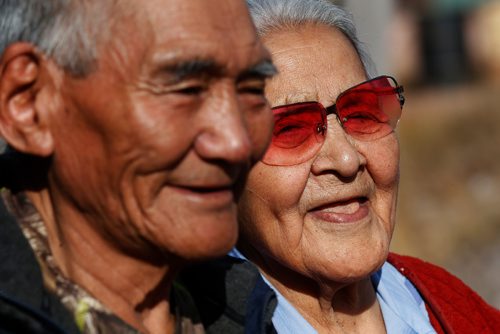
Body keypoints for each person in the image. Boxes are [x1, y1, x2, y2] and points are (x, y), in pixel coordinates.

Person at [181, 0, 500, 333]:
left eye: (362, 112)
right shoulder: (186, 322)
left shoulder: (454, 308)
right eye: (289, 129)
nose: (347, 161)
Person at [0, 0, 276, 333]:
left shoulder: (244, 306)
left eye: (252, 89)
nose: (237, 143)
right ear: (29, 103)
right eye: (185, 90)